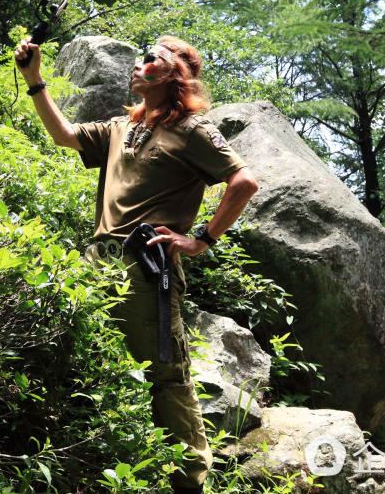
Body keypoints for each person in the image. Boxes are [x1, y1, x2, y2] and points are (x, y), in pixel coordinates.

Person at [13, 34, 258, 493]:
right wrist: (34, 81)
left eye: (151, 60)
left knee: (165, 372)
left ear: (174, 75)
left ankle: (190, 480)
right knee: (89, 357)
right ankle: (103, 460)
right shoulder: (120, 128)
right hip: (96, 259)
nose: (138, 64)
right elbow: (65, 136)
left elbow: (243, 182)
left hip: (147, 267)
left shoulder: (193, 130)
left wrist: (201, 239)